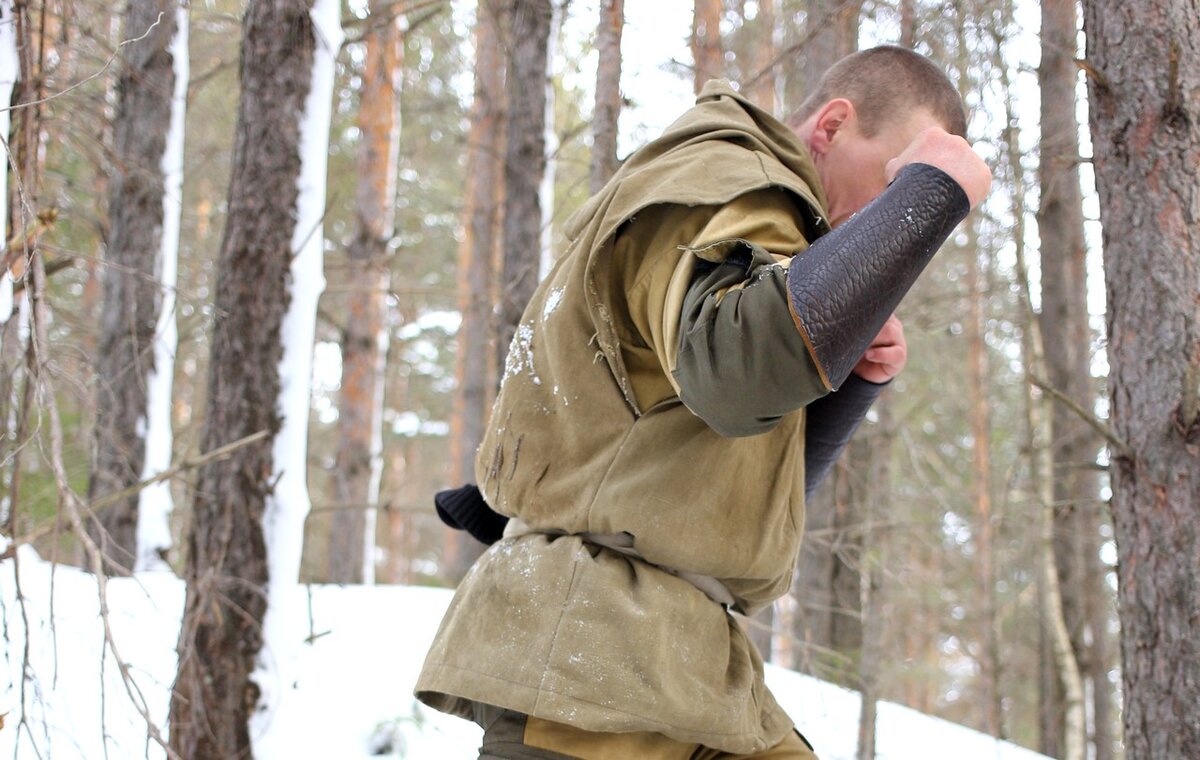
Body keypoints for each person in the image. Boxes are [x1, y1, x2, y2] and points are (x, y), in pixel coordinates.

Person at [417, 45, 992, 759]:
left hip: (681, 661)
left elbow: (736, 482)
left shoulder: (763, 231)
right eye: (891, 182)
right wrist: (934, 191)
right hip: (593, 658)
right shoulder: (725, 176)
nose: (883, 222)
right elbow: (736, 377)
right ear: (833, 125)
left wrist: (848, 387)